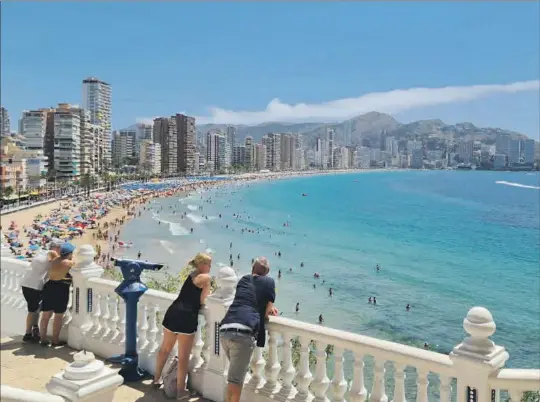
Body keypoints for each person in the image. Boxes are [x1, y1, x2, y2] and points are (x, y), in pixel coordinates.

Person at [153, 253, 212, 399]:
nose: (210, 268)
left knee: (165, 349)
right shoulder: (206, 278)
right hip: (187, 316)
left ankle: (156, 379)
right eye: (209, 265)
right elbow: (204, 299)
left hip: (173, 312)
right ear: (203, 265)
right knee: (184, 356)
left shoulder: (192, 274)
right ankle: (180, 391)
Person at [220, 257, 278, 402]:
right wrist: (269, 309)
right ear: (267, 272)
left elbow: (246, 300)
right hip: (242, 334)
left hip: (225, 329)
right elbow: (266, 312)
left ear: (252, 270)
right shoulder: (269, 282)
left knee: (233, 377)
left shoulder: (244, 279)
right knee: (235, 381)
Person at [20, 239, 62, 342]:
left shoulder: (41, 252)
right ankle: (28, 333)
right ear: (56, 248)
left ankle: (34, 329)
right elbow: (57, 262)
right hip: (33, 286)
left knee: (35, 309)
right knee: (32, 310)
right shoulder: (51, 255)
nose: (61, 250)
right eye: (60, 248)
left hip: (26, 283)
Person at [39, 242, 76, 346]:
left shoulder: (55, 260)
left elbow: (51, 255)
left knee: (45, 315)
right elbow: (75, 263)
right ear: (69, 253)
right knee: (58, 316)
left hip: (49, 286)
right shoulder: (67, 263)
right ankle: (55, 340)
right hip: (60, 289)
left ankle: (43, 339)